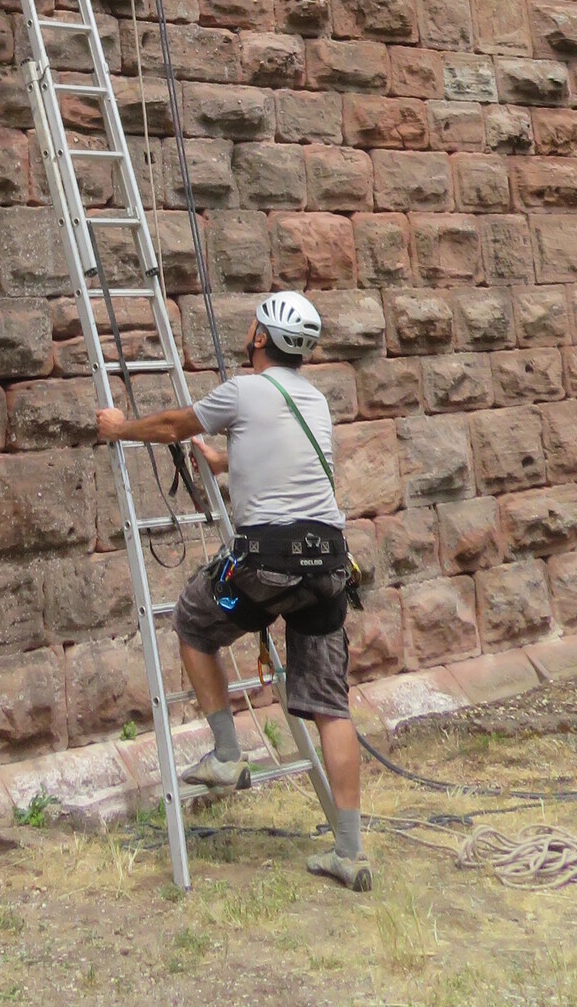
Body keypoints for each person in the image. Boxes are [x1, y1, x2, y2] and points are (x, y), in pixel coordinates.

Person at [95, 289, 371, 893]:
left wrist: (119, 428)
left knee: (195, 621)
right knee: (332, 708)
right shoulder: (314, 401)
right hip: (326, 569)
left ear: (260, 338)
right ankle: (350, 854)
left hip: (265, 568)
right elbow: (288, 464)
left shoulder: (244, 391)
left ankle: (226, 753)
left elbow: (171, 425)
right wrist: (224, 463)